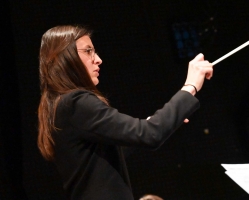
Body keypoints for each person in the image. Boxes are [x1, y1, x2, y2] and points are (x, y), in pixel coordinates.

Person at [37, 25, 213, 200]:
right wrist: (190, 86)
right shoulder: (76, 102)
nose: (98, 59)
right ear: (65, 57)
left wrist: (166, 121)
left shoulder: (62, 105)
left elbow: (112, 150)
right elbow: (150, 134)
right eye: (88, 51)